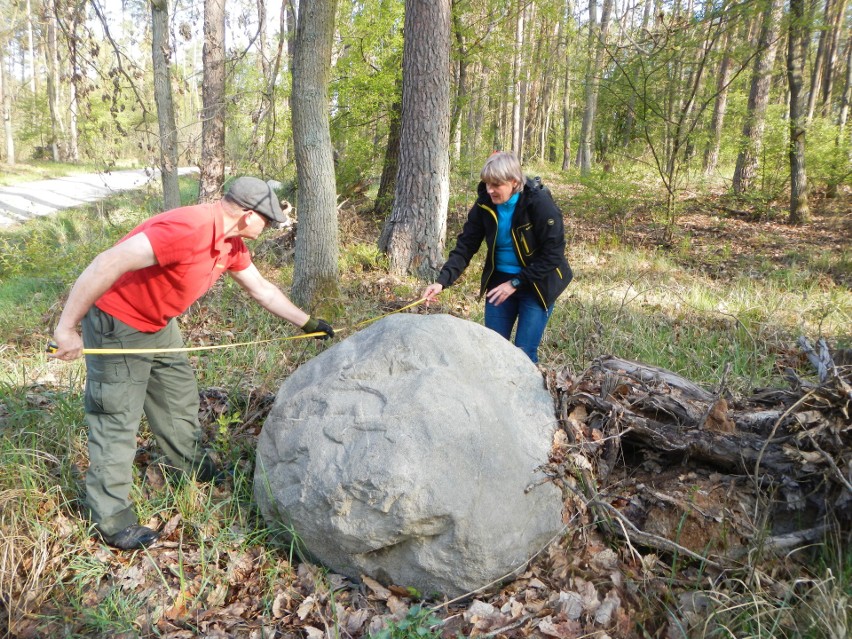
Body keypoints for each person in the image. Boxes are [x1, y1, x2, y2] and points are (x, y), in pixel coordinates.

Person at [49, 176, 334, 550]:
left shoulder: (230, 243)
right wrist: (66, 328)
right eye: (269, 219)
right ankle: (112, 519)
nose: (271, 226)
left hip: (158, 324)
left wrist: (308, 324)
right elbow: (108, 262)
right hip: (117, 323)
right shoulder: (189, 227)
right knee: (116, 418)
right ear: (248, 215)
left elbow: (261, 289)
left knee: (177, 399)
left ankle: (192, 468)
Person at [423, 152, 572, 363]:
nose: (490, 190)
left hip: (538, 285)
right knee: (492, 351)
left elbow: (553, 255)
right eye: (486, 184)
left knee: (523, 355)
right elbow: (466, 246)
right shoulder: (485, 204)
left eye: (496, 184)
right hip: (499, 283)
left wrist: (516, 282)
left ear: (514, 182)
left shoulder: (539, 203)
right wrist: (441, 282)